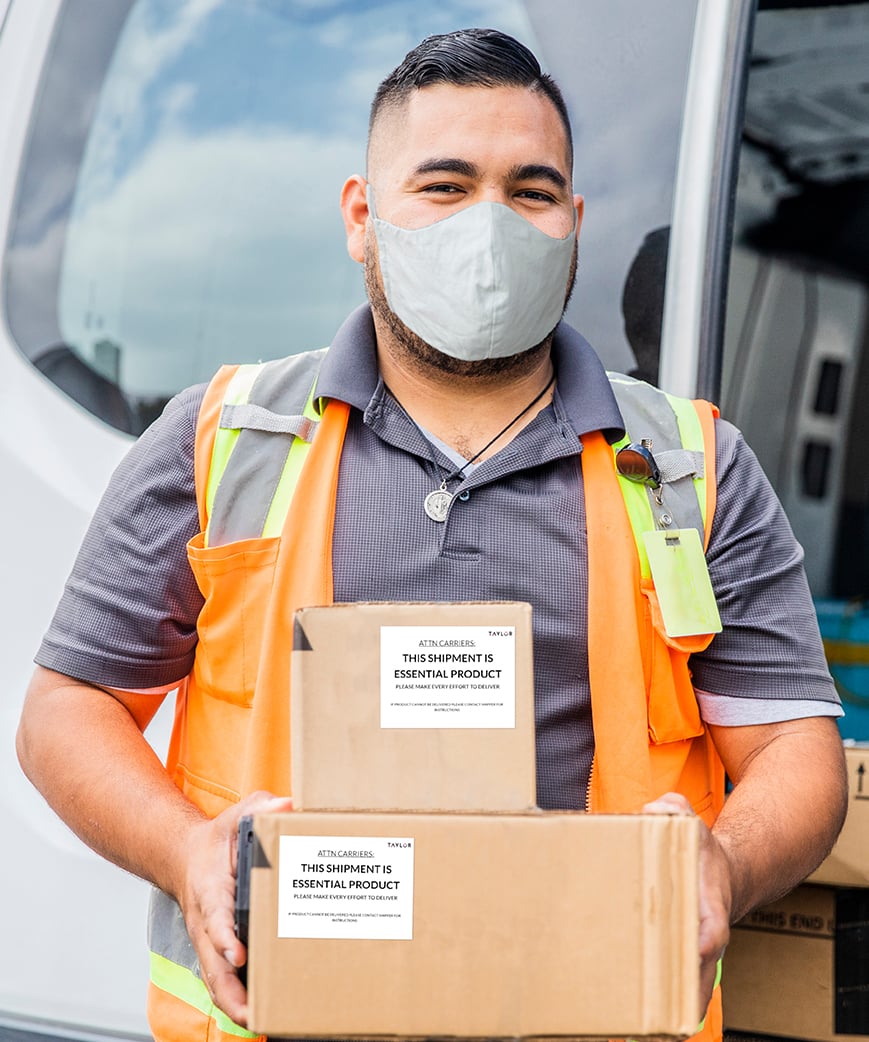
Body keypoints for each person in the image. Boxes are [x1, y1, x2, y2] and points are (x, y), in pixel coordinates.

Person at [17, 27, 847, 1042]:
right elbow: (68, 709)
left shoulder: (689, 466)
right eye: (445, 187)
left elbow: (797, 756)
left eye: (530, 193)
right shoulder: (222, 442)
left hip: (592, 1017)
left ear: (573, 224)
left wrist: (727, 856)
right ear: (361, 217)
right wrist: (184, 848)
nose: (488, 226)